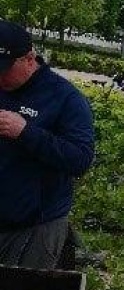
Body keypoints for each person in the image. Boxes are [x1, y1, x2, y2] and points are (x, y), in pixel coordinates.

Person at [0, 19, 95, 269]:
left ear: (29, 59)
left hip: (35, 228)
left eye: (4, 69)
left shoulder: (66, 99)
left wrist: (26, 132)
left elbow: (80, 159)